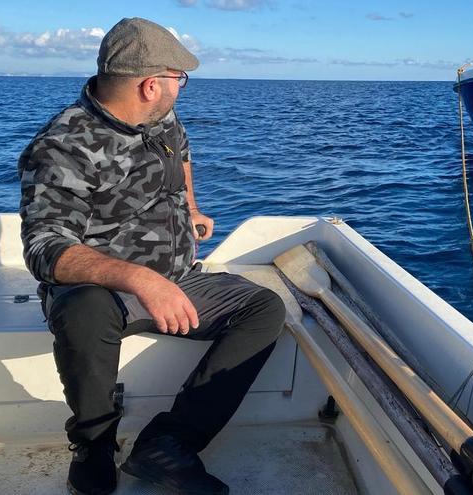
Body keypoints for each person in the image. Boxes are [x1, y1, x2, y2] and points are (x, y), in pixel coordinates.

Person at [18, 17, 285, 495]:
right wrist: (141, 280)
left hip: (182, 276)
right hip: (106, 291)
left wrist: (194, 208)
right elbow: (44, 248)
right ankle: (95, 446)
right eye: (178, 79)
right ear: (149, 85)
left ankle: (169, 444)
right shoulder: (62, 146)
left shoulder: (161, 118)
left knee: (264, 308)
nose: (181, 88)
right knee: (83, 308)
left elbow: (180, 155)